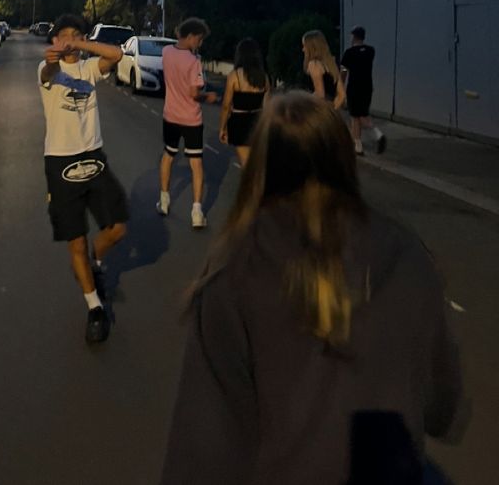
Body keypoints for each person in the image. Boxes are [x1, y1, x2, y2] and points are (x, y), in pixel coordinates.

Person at [160, 91, 465, 485]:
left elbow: (204, 445)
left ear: (261, 165)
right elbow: (442, 403)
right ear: (342, 159)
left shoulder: (235, 269)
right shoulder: (406, 251)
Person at [38, 13, 129, 344]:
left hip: (93, 156)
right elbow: (48, 72)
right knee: (74, 239)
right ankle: (94, 308)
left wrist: (79, 42)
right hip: (60, 160)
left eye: (75, 35)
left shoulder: (89, 69)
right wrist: (55, 56)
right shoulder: (48, 70)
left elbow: (116, 55)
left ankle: (97, 260)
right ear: (53, 41)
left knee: (117, 228)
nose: (70, 41)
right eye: (63, 36)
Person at [157, 17, 217, 228]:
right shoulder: (194, 62)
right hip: (191, 119)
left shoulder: (166, 53)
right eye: (199, 39)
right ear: (191, 36)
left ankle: (164, 201)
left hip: (171, 115)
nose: (199, 44)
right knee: (196, 163)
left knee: (168, 156)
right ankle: (197, 212)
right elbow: (194, 93)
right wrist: (207, 96)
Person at [218, 38, 270, 165]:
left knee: (246, 164)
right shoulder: (264, 77)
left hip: (239, 123)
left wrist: (222, 128)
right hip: (257, 121)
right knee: (255, 162)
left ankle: (252, 184)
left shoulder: (234, 76)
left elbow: (226, 105)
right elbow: (267, 107)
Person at [340, 25, 386, 155]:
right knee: (363, 113)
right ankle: (369, 139)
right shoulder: (371, 51)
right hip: (367, 87)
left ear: (354, 36)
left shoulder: (349, 53)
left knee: (355, 116)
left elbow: (343, 71)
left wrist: (340, 86)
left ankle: (361, 144)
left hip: (354, 87)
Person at [302, 29, 346, 109]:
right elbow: (342, 95)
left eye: (304, 46)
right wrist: (332, 111)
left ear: (312, 48)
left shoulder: (314, 64)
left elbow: (320, 94)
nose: (303, 49)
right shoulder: (331, 64)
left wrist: (303, 100)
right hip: (328, 112)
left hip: (317, 111)